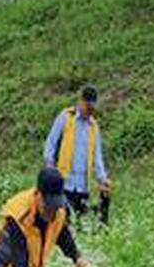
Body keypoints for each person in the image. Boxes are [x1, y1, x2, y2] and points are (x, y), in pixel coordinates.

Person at [44, 86, 112, 224]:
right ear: (81, 101)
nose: (90, 111)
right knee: (62, 223)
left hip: (83, 186)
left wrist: (102, 179)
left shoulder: (93, 127)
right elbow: (50, 143)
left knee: (79, 225)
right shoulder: (66, 117)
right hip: (64, 182)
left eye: (92, 108)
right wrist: (49, 165)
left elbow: (97, 157)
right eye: (88, 107)